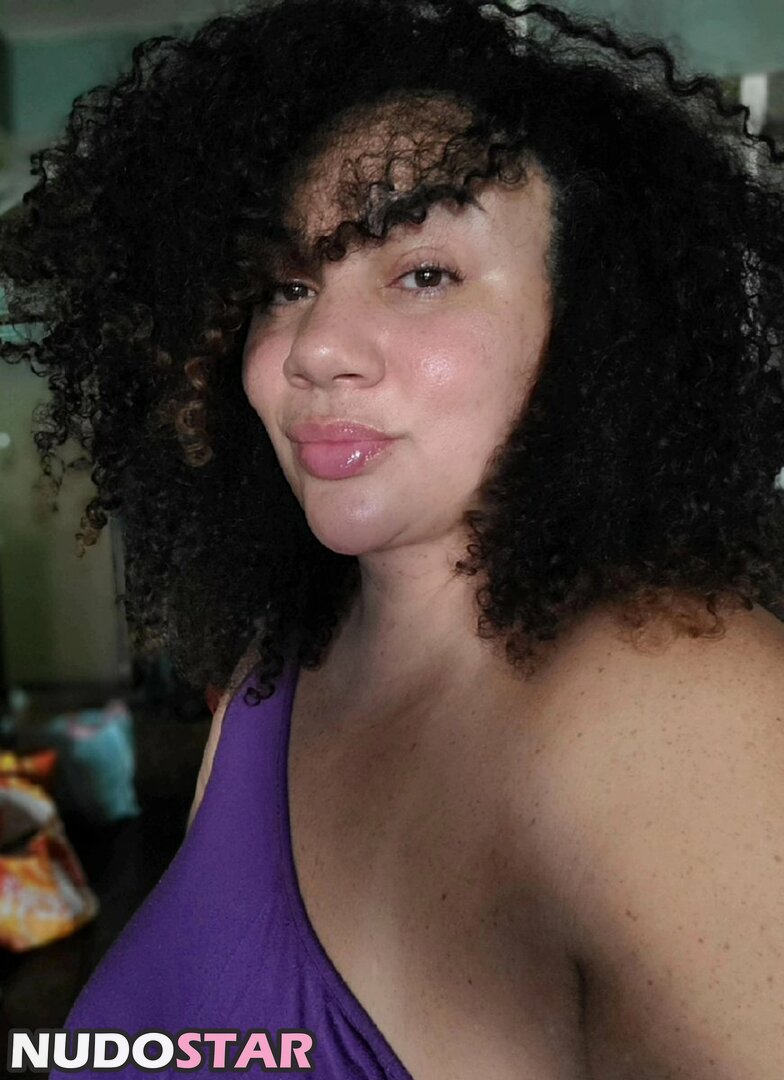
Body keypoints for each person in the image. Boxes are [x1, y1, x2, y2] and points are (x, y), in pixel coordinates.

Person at [3, 0, 784, 1075]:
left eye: (423, 273)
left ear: (593, 323)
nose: (315, 347)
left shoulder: (689, 711)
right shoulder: (271, 678)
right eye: (287, 286)